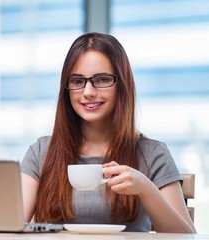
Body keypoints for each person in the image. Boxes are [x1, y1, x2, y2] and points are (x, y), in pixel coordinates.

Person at [20, 32, 196, 233]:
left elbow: (186, 236)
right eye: (77, 81)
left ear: (122, 85)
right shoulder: (41, 152)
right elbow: (11, 228)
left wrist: (146, 190)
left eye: (101, 80)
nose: (88, 92)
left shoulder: (152, 153)